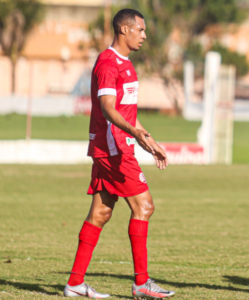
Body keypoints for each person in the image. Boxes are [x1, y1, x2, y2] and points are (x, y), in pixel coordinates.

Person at [63, 9, 175, 299]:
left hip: (113, 147)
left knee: (100, 213)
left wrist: (149, 140)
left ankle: (75, 283)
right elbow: (108, 108)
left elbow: (127, 114)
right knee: (144, 207)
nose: (145, 35)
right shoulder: (107, 63)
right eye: (140, 30)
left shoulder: (127, 65)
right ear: (124, 30)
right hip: (113, 149)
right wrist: (134, 135)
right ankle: (141, 283)